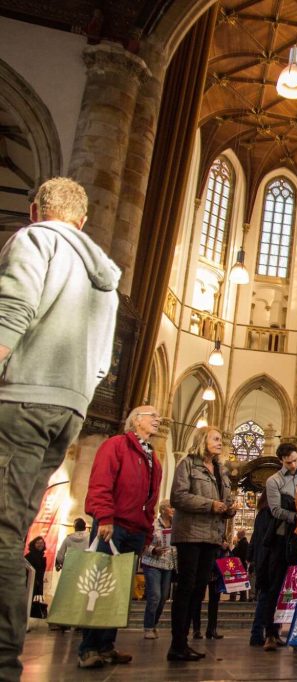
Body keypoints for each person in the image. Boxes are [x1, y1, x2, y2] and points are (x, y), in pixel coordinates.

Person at [0, 177, 120, 681]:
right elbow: (100, 366)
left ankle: (4, 658)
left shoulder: (35, 240)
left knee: (4, 534)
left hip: (23, 395)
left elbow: (13, 311)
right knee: (14, 525)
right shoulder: (107, 281)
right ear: (85, 220)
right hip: (67, 409)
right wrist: (76, 399)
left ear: (35, 210)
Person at [77, 405, 163, 669]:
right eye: (152, 416)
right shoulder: (116, 445)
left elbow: (151, 496)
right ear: (136, 421)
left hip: (136, 530)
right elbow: (101, 482)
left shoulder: (152, 456)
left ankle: (106, 645)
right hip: (113, 526)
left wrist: (148, 530)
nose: (158, 420)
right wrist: (104, 517)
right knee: (98, 588)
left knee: (119, 592)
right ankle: (88, 648)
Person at [168, 426, 236, 662]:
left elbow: (224, 501)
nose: (220, 442)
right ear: (202, 441)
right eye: (216, 439)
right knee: (186, 587)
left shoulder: (220, 471)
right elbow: (178, 496)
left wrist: (229, 508)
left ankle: (184, 642)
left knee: (198, 589)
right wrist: (209, 505)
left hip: (211, 536)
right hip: (190, 534)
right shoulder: (187, 464)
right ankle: (177, 643)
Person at [260, 443, 297, 652]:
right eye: (289, 462)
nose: (293, 465)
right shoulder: (273, 481)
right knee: (275, 585)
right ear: (281, 461)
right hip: (281, 539)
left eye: (295, 460)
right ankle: (271, 632)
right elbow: (276, 510)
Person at [141, 501, 175, 639]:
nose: (173, 510)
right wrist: (154, 550)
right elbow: (144, 542)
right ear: (164, 509)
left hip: (168, 564)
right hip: (152, 563)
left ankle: (153, 624)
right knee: (155, 595)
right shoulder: (153, 525)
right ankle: (148, 627)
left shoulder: (176, 526)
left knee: (163, 598)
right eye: (171, 507)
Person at [248, 492, 274, 647]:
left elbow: (254, 539)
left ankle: (264, 632)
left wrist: (252, 558)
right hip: (267, 560)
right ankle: (257, 633)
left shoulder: (260, 515)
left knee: (266, 597)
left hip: (261, 560)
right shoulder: (268, 515)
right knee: (266, 597)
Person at [191, 540, 229, 640]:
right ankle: (196, 629)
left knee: (214, 602)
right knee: (197, 599)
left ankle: (211, 629)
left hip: (216, 571)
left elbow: (226, 555)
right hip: (202, 569)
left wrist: (225, 548)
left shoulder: (220, 536)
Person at [24, 538, 46, 619]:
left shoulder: (41, 556)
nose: (40, 544)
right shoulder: (29, 556)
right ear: (33, 544)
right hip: (31, 583)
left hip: (37, 583)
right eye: (38, 543)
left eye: (42, 543)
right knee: (30, 601)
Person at [229, 530, 249, 601]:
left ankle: (240, 598)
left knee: (238, 582)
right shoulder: (241, 543)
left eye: (238, 533)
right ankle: (241, 597)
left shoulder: (243, 543)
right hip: (241, 565)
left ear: (241, 534)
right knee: (240, 582)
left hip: (239, 565)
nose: (237, 534)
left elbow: (239, 554)